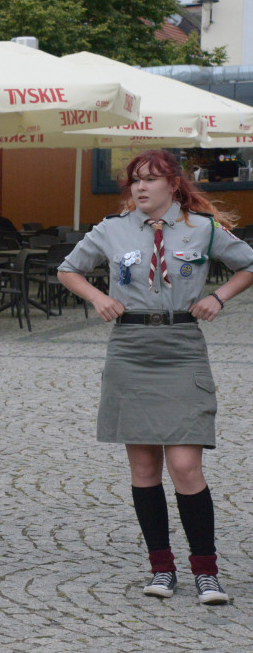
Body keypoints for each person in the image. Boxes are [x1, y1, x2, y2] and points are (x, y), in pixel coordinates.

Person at [57, 149, 253, 605]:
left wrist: (218, 297)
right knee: (145, 468)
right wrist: (98, 298)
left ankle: (206, 571)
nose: (140, 187)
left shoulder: (202, 228)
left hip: (182, 347)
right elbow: (68, 270)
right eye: (135, 180)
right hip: (130, 348)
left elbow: (248, 264)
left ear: (173, 184)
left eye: (150, 179)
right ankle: (161, 568)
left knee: (185, 466)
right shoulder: (112, 228)